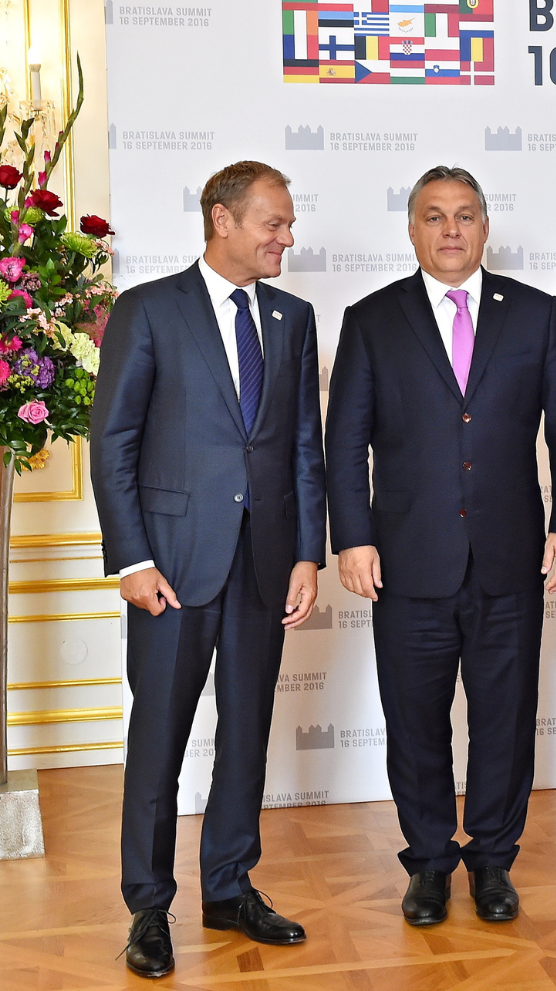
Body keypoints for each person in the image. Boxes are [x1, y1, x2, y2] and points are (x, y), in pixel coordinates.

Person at [325, 166, 556, 927]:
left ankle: (493, 863)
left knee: (506, 718)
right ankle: (431, 863)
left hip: (511, 557)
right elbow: (344, 444)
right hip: (406, 562)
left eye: (465, 216)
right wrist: (354, 538)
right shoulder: (372, 319)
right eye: (434, 216)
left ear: (484, 227)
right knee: (415, 721)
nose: (450, 230)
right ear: (411, 230)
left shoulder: (537, 316)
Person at [91, 161, 326, 977]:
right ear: (222, 220)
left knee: (246, 739)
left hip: (263, 565)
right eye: (273, 222)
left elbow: (302, 446)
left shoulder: (295, 318)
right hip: (172, 570)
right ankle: (149, 908)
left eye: (288, 224)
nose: (286, 237)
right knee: (159, 741)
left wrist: (305, 551)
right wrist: (131, 559)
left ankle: (229, 888)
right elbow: (112, 443)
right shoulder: (148, 310)